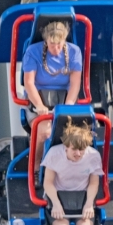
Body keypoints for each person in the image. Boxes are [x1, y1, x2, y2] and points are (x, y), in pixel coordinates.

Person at [23, 20, 82, 173]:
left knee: (75, 133)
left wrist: (69, 103)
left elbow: (75, 82)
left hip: (63, 100)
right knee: (45, 132)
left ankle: (70, 169)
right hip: (40, 99)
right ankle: (35, 168)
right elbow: (29, 82)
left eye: (59, 44)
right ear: (46, 41)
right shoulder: (33, 52)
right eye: (51, 44)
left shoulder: (74, 52)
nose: (55, 49)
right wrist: (39, 105)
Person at [42, 119, 104, 225]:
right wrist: (56, 204)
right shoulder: (55, 154)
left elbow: (93, 183)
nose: (78, 153)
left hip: (82, 196)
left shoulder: (93, 155)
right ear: (66, 146)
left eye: (81, 149)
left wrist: (88, 204)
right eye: (74, 149)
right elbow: (48, 182)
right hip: (59, 195)